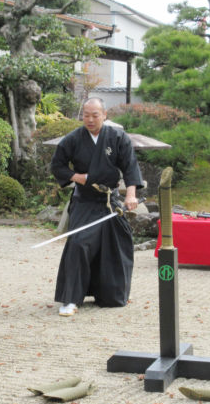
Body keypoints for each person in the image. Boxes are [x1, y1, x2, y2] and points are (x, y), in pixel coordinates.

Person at [50, 97, 144, 317]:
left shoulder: (118, 137)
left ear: (105, 115)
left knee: (119, 243)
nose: (90, 119)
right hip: (85, 201)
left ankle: (112, 294)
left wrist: (131, 195)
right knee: (79, 243)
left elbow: (130, 167)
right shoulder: (73, 139)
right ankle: (71, 299)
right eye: (86, 115)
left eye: (95, 115)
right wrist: (77, 177)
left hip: (110, 201)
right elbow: (57, 166)